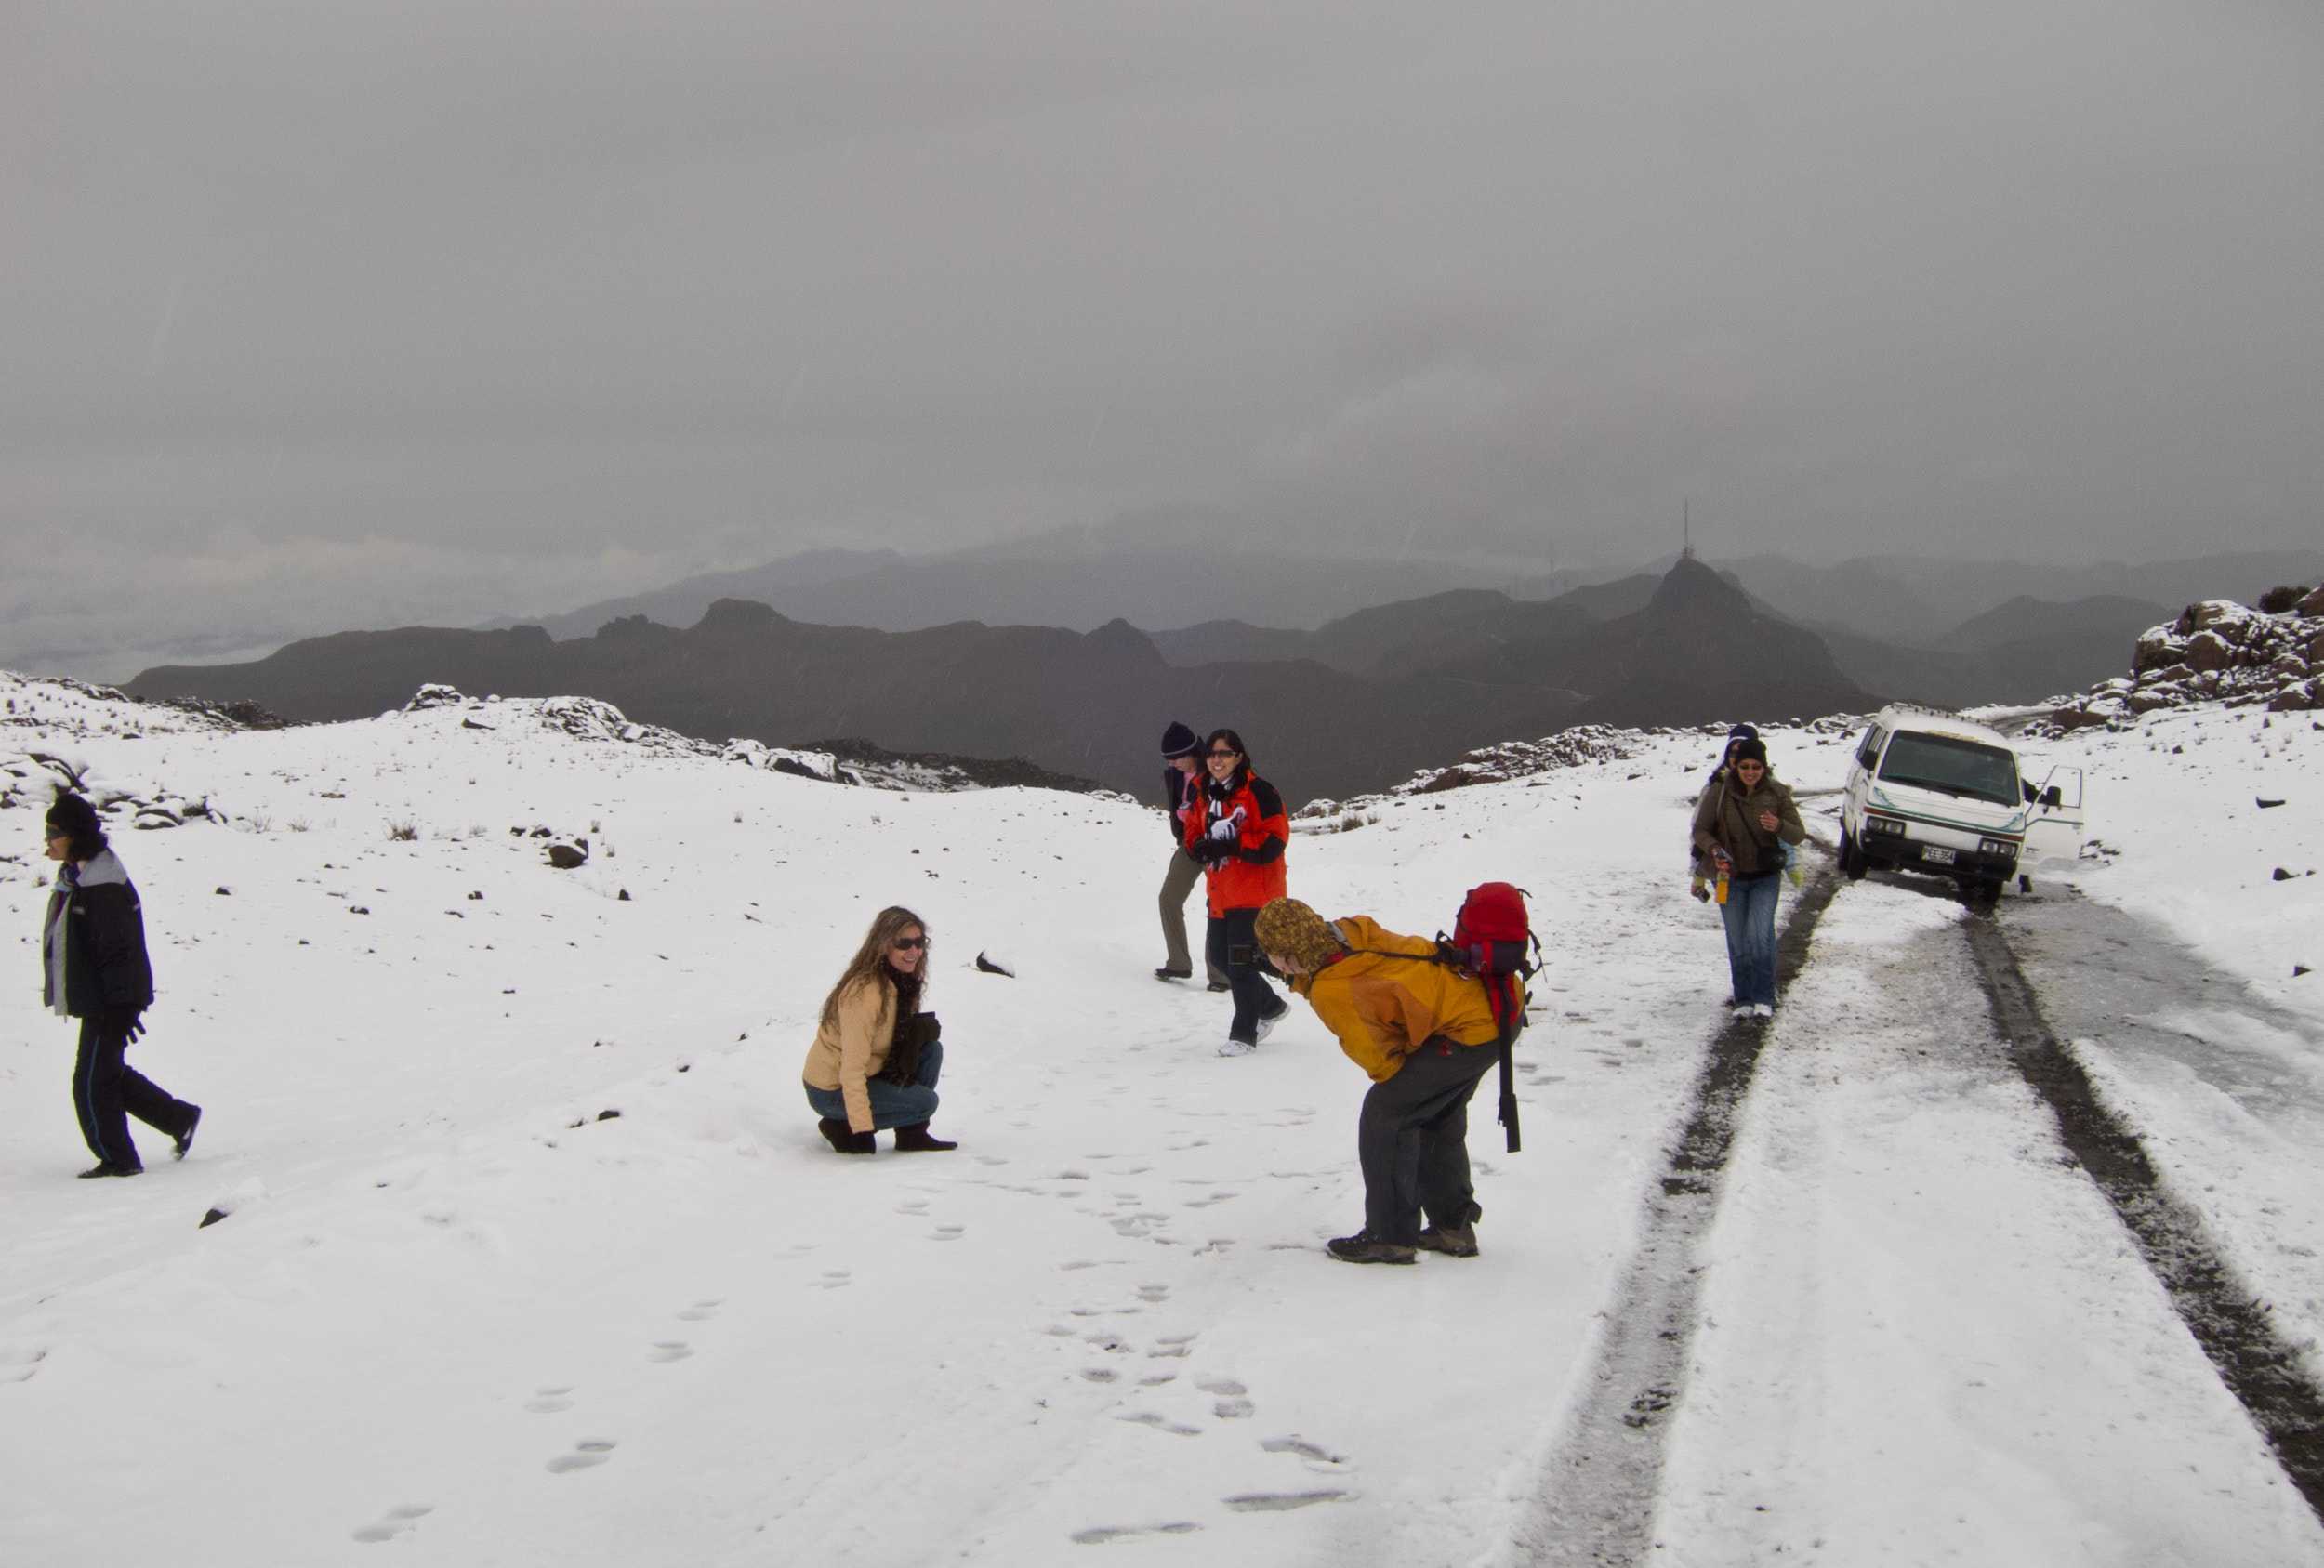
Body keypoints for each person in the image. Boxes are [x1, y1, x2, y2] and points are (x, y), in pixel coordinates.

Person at [1255, 897, 1512, 1266]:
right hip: (1494, 1004)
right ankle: (1452, 1228)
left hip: (1469, 1032)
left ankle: (1390, 1236)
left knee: (1387, 1114)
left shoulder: (1331, 990)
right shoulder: (1351, 931)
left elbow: (1383, 1064)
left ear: (1285, 955)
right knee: (1435, 1114)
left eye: (1273, 953)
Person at [41, 792, 200, 1179]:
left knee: (92, 1082)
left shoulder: (101, 885)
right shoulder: (80, 877)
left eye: (54, 832)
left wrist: (120, 1008)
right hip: (100, 997)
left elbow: (118, 952)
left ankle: (119, 1160)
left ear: (75, 835)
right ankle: (178, 1118)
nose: (48, 840)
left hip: (109, 1000)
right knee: (104, 1071)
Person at [801, 906, 957, 1153]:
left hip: (869, 1071)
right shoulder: (864, 993)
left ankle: (912, 1135)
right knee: (925, 1103)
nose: (914, 951)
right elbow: (852, 1068)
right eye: (904, 943)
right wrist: (861, 1129)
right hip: (832, 1089)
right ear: (884, 945)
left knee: (930, 1050)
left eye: (919, 942)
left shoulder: (902, 982)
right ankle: (840, 1125)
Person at [1183, 728, 1289, 1057]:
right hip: (1220, 889)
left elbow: (1276, 839)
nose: (1217, 760)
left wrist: (1235, 844)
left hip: (1253, 890)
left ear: (1238, 757)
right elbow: (1192, 829)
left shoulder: (1259, 791)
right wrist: (1198, 846)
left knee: (1239, 961)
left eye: (1224, 753)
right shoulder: (1204, 792)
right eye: (1212, 754)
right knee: (1219, 955)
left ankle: (1244, 1035)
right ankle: (1270, 1006)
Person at [1690, 738, 1808, 1020]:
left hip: (1765, 877)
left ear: (1764, 767)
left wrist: (1778, 825)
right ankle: (1743, 998)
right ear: (1736, 767)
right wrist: (1715, 849)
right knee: (1738, 940)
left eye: (1756, 766)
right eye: (1745, 766)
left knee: (1758, 935)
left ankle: (1764, 996)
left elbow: (1798, 834)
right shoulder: (1719, 792)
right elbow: (1701, 830)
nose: (1750, 771)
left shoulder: (1777, 793)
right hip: (1728, 877)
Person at [1153, 721, 1230, 992]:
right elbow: (1178, 809)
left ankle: (1220, 975)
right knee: (1169, 899)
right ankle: (1179, 963)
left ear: (1192, 753)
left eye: (1175, 758)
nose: (1172, 764)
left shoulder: (1216, 772)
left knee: (1217, 906)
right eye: (1168, 760)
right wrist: (1181, 835)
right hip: (1189, 844)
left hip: (1217, 848)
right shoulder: (1176, 775)